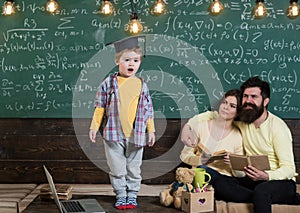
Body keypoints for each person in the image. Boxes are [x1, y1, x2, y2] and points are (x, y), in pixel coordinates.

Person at [181, 76, 300, 213]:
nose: (248, 101)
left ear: (265, 101)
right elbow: (214, 115)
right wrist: (187, 127)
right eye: (245, 96)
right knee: (220, 184)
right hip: (252, 179)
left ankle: (277, 196)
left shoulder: (278, 127)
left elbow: (290, 169)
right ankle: (265, 197)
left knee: (261, 192)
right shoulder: (244, 120)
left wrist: (266, 176)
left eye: (254, 97)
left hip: (278, 181)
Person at [89, 36, 156, 210]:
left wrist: (152, 131)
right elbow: (100, 107)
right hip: (113, 135)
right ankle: (121, 194)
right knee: (117, 168)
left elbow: (148, 110)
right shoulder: (108, 83)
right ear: (117, 61)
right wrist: (94, 127)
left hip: (136, 134)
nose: (131, 64)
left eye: (135, 60)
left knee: (134, 168)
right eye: (126, 60)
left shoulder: (142, 85)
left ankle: (132, 195)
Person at [180, 89, 244, 183]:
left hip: (224, 181)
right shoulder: (200, 127)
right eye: (224, 103)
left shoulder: (237, 136)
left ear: (237, 112)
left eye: (232, 106)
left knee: (230, 186)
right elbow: (184, 155)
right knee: (204, 170)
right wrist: (200, 160)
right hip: (201, 176)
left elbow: (240, 174)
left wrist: (233, 163)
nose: (226, 107)